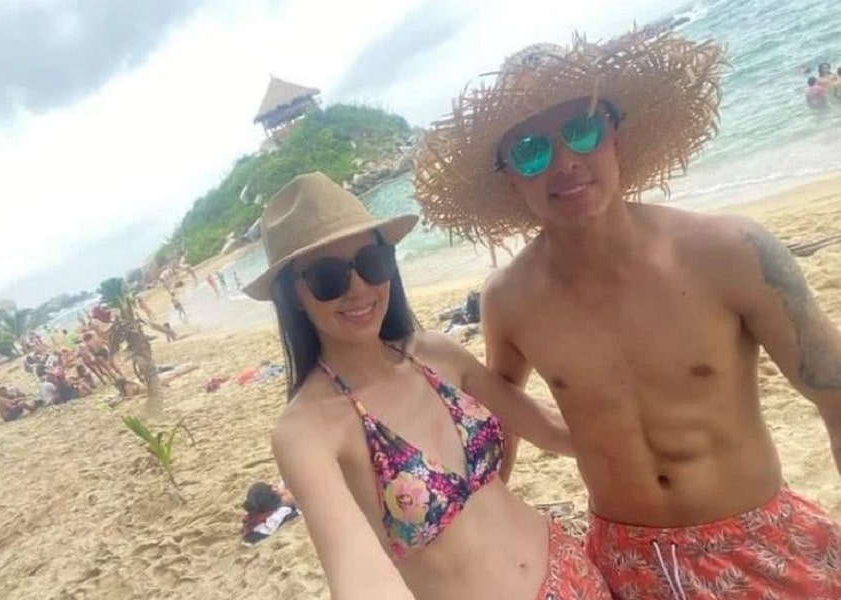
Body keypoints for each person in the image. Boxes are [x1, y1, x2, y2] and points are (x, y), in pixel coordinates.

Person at [415, 31, 841, 598]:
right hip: (623, 565)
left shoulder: (731, 252)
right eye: (532, 151)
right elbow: (501, 424)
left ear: (615, 135)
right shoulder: (509, 300)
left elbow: (834, 395)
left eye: (582, 130)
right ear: (511, 176)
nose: (565, 162)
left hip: (757, 542)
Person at [242, 172, 610, 600]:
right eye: (328, 277)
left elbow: (552, 429)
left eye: (372, 262)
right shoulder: (306, 431)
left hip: (572, 571)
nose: (359, 287)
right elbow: (357, 571)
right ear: (293, 296)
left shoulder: (436, 354)